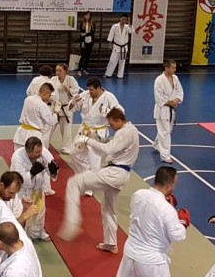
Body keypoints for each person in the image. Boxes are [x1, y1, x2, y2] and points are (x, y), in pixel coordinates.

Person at [106, 166, 190, 277]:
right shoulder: (166, 209)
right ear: (169, 186)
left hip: (131, 251)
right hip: (152, 259)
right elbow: (177, 235)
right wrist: (182, 222)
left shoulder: (139, 195)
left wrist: (168, 207)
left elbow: (148, 217)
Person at [61, 108, 140, 252]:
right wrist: (99, 140)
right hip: (121, 174)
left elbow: (108, 150)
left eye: (112, 124)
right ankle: (111, 243)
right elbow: (113, 147)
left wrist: (88, 140)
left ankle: (72, 223)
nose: (111, 127)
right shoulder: (131, 131)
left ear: (119, 120)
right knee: (108, 208)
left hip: (113, 173)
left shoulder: (125, 132)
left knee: (73, 183)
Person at [9, 138, 58, 241]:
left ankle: (38, 232)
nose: (39, 154)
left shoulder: (44, 153)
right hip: (23, 190)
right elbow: (20, 179)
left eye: (40, 151)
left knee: (39, 212)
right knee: (22, 213)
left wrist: (53, 172)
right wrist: (32, 173)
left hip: (38, 188)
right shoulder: (17, 157)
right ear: (28, 151)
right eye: (36, 152)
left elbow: (50, 170)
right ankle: (22, 236)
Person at [153, 59, 184, 163]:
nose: (175, 70)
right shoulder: (159, 80)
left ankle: (157, 144)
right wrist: (170, 103)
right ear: (166, 68)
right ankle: (165, 156)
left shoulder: (175, 78)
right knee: (165, 133)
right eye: (173, 68)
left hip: (172, 109)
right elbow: (158, 98)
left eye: (175, 68)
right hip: (162, 109)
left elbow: (180, 91)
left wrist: (177, 100)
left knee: (166, 131)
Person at [13, 83, 57, 150]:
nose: (49, 98)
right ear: (44, 93)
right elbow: (51, 121)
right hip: (33, 135)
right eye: (49, 95)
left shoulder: (28, 99)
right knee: (34, 155)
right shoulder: (42, 105)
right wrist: (56, 112)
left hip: (21, 133)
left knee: (19, 154)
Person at [50, 63, 81, 151]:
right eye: (56, 70)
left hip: (66, 107)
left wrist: (68, 89)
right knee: (49, 127)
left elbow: (76, 92)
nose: (57, 72)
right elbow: (49, 91)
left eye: (60, 70)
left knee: (66, 129)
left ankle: (66, 147)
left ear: (65, 71)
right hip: (55, 107)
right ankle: (44, 145)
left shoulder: (71, 80)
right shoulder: (53, 79)